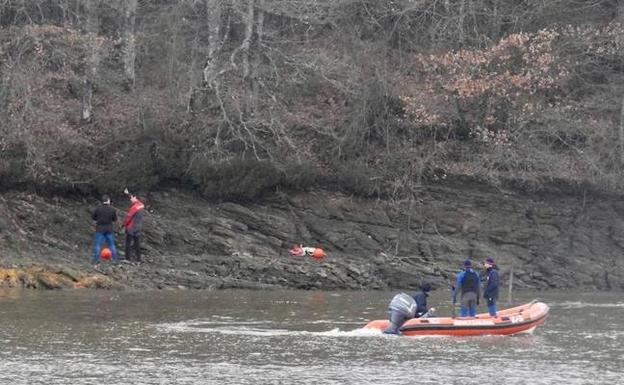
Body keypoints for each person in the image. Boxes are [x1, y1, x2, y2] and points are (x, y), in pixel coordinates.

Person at [91, 194, 119, 265]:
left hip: (100, 228)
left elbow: (93, 217)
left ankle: (96, 260)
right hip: (109, 229)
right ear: (108, 200)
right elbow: (115, 219)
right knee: (111, 245)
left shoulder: (98, 208)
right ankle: (115, 259)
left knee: (97, 245)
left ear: (102, 201)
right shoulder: (112, 209)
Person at [123, 192, 145, 262]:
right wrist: (128, 193)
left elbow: (129, 217)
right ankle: (139, 259)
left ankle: (127, 258)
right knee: (137, 244)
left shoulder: (134, 207)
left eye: (131, 198)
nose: (130, 199)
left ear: (135, 197)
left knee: (128, 243)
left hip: (131, 227)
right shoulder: (141, 205)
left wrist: (124, 224)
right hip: (138, 227)